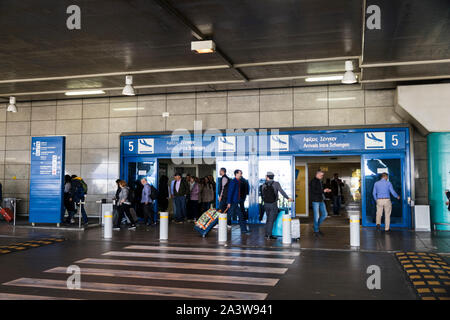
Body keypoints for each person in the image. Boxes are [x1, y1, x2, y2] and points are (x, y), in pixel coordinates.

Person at [261, 171, 294, 239]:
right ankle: (269, 235)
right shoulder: (276, 184)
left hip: (266, 204)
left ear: (267, 177)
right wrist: (288, 198)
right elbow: (282, 192)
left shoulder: (263, 185)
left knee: (268, 219)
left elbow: (263, 195)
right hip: (273, 204)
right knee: (271, 220)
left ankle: (266, 234)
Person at [227, 169, 250, 234]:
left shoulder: (238, 181)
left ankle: (244, 230)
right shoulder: (233, 181)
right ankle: (219, 224)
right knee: (229, 215)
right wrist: (229, 202)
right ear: (236, 174)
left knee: (240, 215)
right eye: (240, 173)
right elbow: (230, 192)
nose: (241, 174)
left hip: (236, 201)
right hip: (233, 202)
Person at [309, 170, 332, 236]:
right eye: (321, 175)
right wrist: (323, 190)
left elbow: (320, 190)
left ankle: (316, 226)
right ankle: (316, 231)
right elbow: (314, 191)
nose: (322, 176)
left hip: (321, 200)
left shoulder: (319, 181)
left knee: (325, 214)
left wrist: (325, 190)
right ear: (318, 174)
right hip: (315, 200)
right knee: (316, 216)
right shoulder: (313, 181)